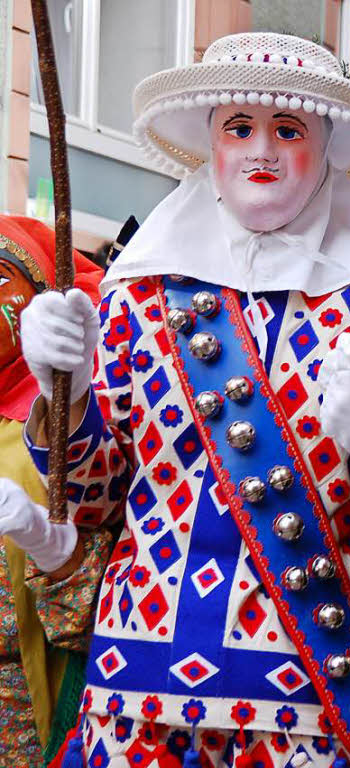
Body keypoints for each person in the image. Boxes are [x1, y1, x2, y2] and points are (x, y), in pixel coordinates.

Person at [18, 34, 350, 768]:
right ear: (210, 146)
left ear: (327, 147)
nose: (261, 152)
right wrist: (67, 394)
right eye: (237, 129)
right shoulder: (140, 293)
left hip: (321, 707)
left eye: (288, 131)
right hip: (138, 708)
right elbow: (90, 501)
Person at [0, 215, 109, 767]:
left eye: (0, 279)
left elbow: (98, 616)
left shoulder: (68, 433)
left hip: (31, 715)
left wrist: (51, 550)